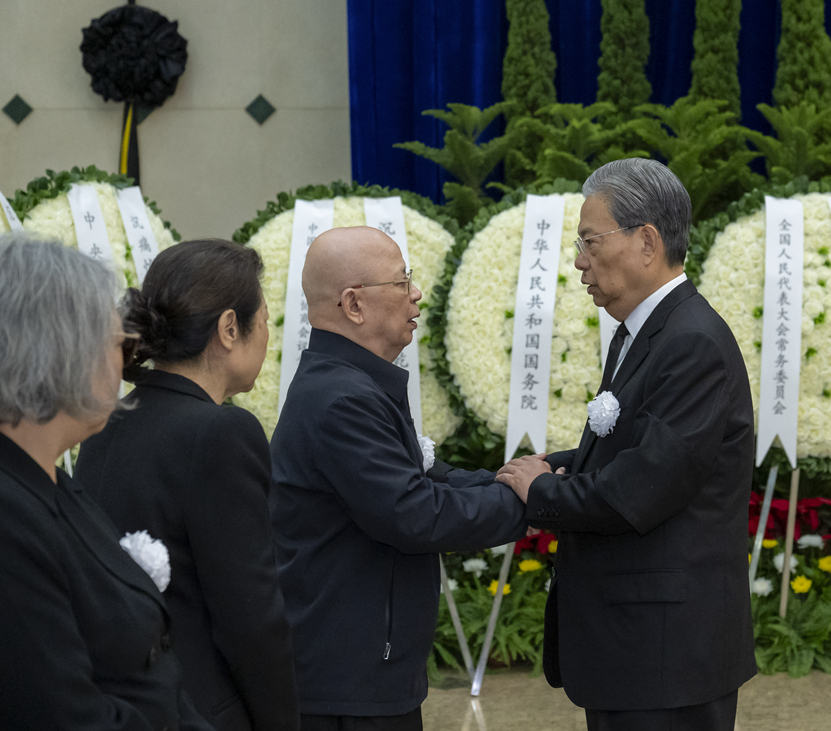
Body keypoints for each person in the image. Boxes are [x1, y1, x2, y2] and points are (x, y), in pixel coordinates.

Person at [497, 158, 757, 731]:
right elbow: (632, 448)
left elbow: (639, 490)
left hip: (666, 655)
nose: (579, 261)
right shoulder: (647, 332)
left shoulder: (691, 342)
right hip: (640, 652)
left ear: (646, 242)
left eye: (590, 241)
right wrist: (553, 465)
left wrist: (541, 491)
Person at [270, 226, 527, 731]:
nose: (417, 293)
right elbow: (416, 514)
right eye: (401, 281)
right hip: (348, 680)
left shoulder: (350, 383)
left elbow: (423, 478)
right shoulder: (342, 400)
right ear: (354, 304)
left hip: (359, 669)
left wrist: (516, 479)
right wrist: (532, 501)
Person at [75, 239, 300, 731]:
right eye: (265, 321)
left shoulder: (108, 419)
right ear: (229, 328)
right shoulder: (222, 431)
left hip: (128, 697)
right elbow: (250, 615)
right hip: (203, 708)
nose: (268, 336)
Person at [0, 234, 213, 730]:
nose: (126, 362)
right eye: (122, 343)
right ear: (64, 349)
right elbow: (62, 715)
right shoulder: (10, 516)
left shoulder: (51, 482)